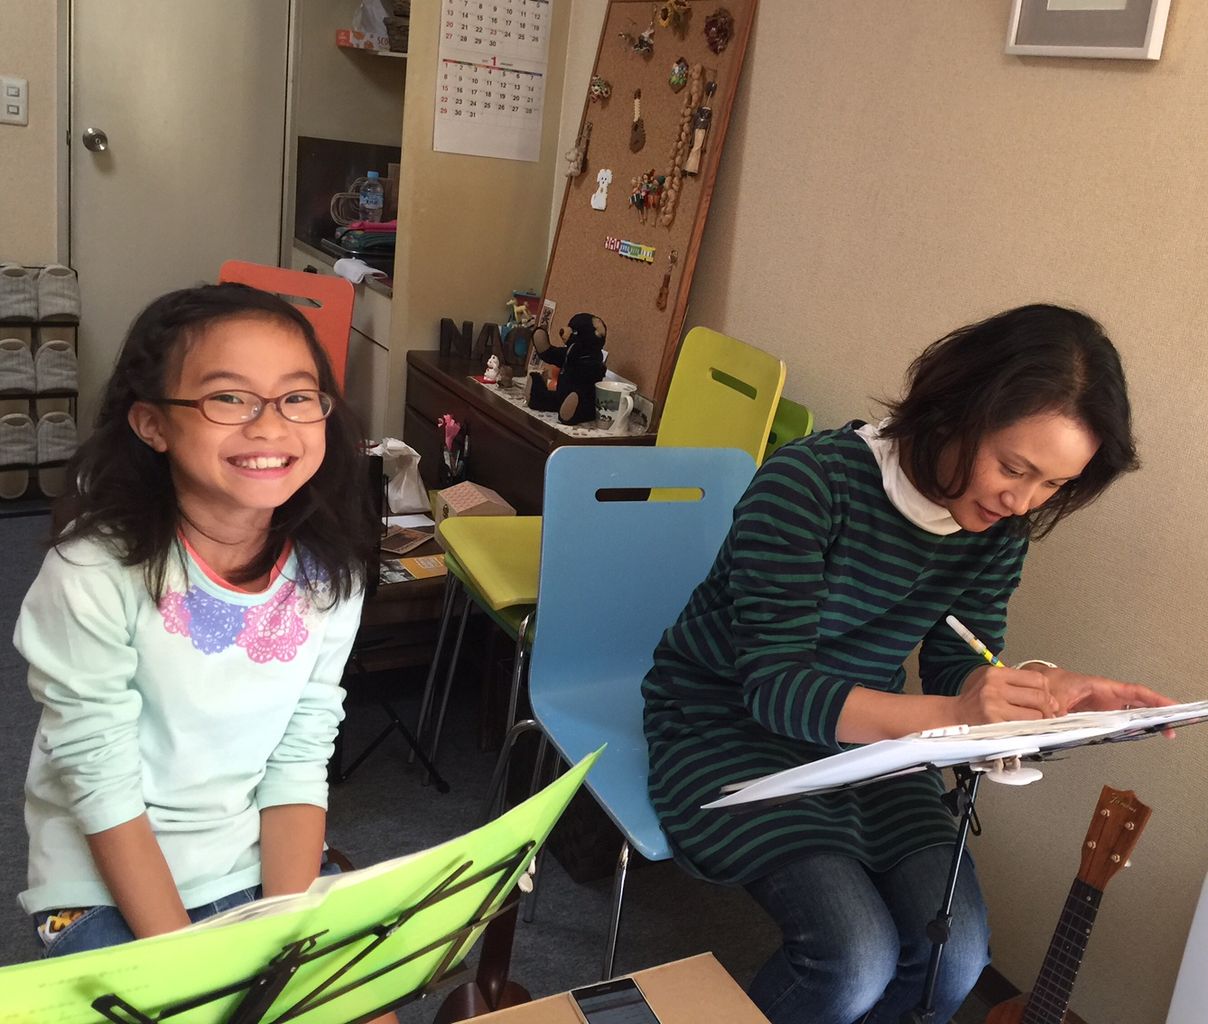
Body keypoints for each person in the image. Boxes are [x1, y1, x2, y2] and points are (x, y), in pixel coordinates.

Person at [641, 304, 1174, 1024]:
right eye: (1013, 468)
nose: (1022, 502)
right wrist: (957, 714)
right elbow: (775, 689)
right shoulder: (809, 484)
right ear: (955, 408)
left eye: (1052, 485)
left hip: (875, 740)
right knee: (852, 960)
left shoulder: (998, 530)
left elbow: (959, 661)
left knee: (957, 959)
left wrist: (1038, 695)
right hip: (726, 722)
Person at [14, 285, 380, 971]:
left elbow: (300, 755)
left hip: (248, 857)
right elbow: (101, 784)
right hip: (103, 881)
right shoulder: (91, 573)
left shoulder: (330, 575)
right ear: (153, 424)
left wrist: (287, 939)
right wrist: (189, 967)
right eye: (229, 398)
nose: (270, 426)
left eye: (297, 397)